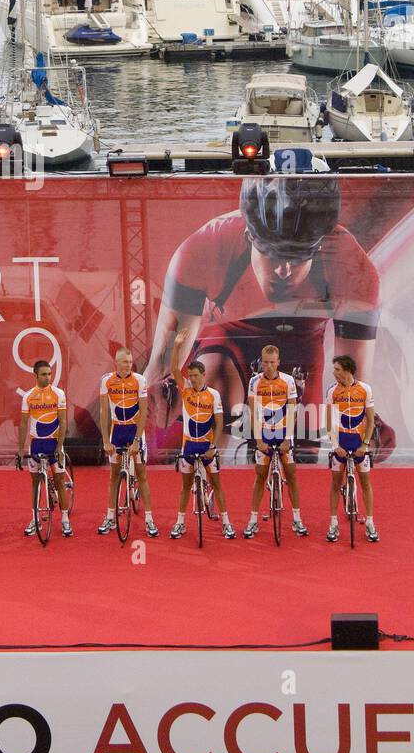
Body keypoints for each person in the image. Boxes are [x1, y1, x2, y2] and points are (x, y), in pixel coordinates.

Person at [145, 176, 381, 461]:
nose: (284, 270)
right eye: (272, 255)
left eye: (297, 257)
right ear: (249, 237)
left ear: (319, 247)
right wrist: (151, 399)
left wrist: (359, 431)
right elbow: (161, 363)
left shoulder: (352, 267)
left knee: (302, 454)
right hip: (229, 333)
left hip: (302, 344)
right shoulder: (204, 247)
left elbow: (353, 379)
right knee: (214, 385)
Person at [169, 329, 235, 539]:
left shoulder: (213, 395)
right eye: (191, 376)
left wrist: (213, 447)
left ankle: (226, 522)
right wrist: (178, 345)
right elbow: (173, 369)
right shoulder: (186, 390)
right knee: (185, 487)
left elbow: (219, 422)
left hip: (207, 446)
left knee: (217, 484)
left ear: (204, 375)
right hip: (188, 445)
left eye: (197, 376)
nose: (193, 379)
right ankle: (180, 522)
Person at [243, 344, 308, 538]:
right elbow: (253, 412)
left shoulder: (288, 381)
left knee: (292, 475)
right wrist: (258, 441)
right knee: (260, 477)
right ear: (261, 362)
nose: (269, 366)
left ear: (278, 362)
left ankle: (297, 519)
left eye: (272, 362)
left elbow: (292, 411)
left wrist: (288, 438)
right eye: (265, 362)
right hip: (263, 434)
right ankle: (253, 520)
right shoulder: (254, 382)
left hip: (283, 433)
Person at [98, 347, 158, 537]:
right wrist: (106, 441)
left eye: (130, 361)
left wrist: (137, 440)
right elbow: (103, 412)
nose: (129, 364)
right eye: (125, 362)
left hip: (134, 431)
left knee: (142, 476)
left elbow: (143, 412)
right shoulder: (106, 380)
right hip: (117, 432)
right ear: (117, 362)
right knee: (114, 477)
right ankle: (109, 517)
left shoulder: (139, 380)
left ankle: (149, 519)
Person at [325, 355, 378, 543]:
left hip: (359, 445)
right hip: (340, 445)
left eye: (337, 369)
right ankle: (333, 523)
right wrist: (335, 445)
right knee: (335, 484)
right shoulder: (332, 391)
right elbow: (329, 422)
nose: (334, 372)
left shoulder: (365, 389)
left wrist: (365, 445)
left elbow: (371, 420)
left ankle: (370, 522)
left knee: (365, 484)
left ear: (347, 370)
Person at [18, 360, 72, 537]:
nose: (48, 377)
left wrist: (59, 445)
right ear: (35, 375)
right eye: (44, 374)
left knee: (59, 482)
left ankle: (65, 520)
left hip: (54, 443)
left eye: (49, 373)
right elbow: (24, 424)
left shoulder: (58, 394)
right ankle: (35, 519)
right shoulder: (28, 396)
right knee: (35, 483)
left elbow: (63, 422)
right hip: (36, 444)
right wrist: (20, 450)